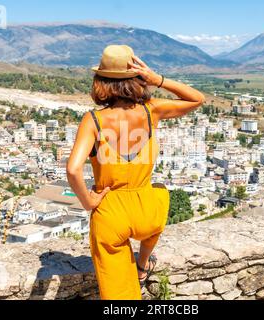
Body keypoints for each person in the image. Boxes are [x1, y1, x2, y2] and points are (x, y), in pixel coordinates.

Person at [66, 45, 205, 300]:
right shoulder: (151, 110)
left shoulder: (93, 120)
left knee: (120, 299)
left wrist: (89, 202)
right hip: (147, 212)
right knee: (159, 193)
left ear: (100, 82)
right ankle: (143, 264)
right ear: (138, 78)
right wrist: (158, 79)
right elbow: (197, 99)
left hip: (111, 213)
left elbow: (73, 169)